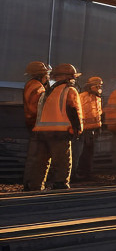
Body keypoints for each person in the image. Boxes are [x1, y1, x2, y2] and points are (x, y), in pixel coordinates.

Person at [23, 63, 84, 191]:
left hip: (41, 131)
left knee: (41, 161)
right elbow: (75, 110)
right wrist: (77, 129)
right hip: (60, 132)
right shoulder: (69, 90)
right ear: (69, 77)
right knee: (62, 160)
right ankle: (60, 183)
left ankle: (35, 186)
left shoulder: (47, 91)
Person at [20, 61, 51, 191]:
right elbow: (38, 108)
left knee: (34, 156)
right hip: (37, 125)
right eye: (47, 74)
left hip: (32, 124)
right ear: (42, 75)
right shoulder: (37, 87)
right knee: (39, 156)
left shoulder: (30, 85)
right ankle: (34, 185)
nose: (48, 77)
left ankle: (29, 183)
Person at [71, 76, 105, 181]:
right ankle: (76, 174)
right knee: (80, 153)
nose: (99, 88)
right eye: (97, 86)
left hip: (92, 130)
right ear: (90, 87)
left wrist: (99, 127)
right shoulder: (82, 97)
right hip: (84, 130)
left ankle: (87, 173)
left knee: (89, 153)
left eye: (100, 86)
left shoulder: (97, 98)